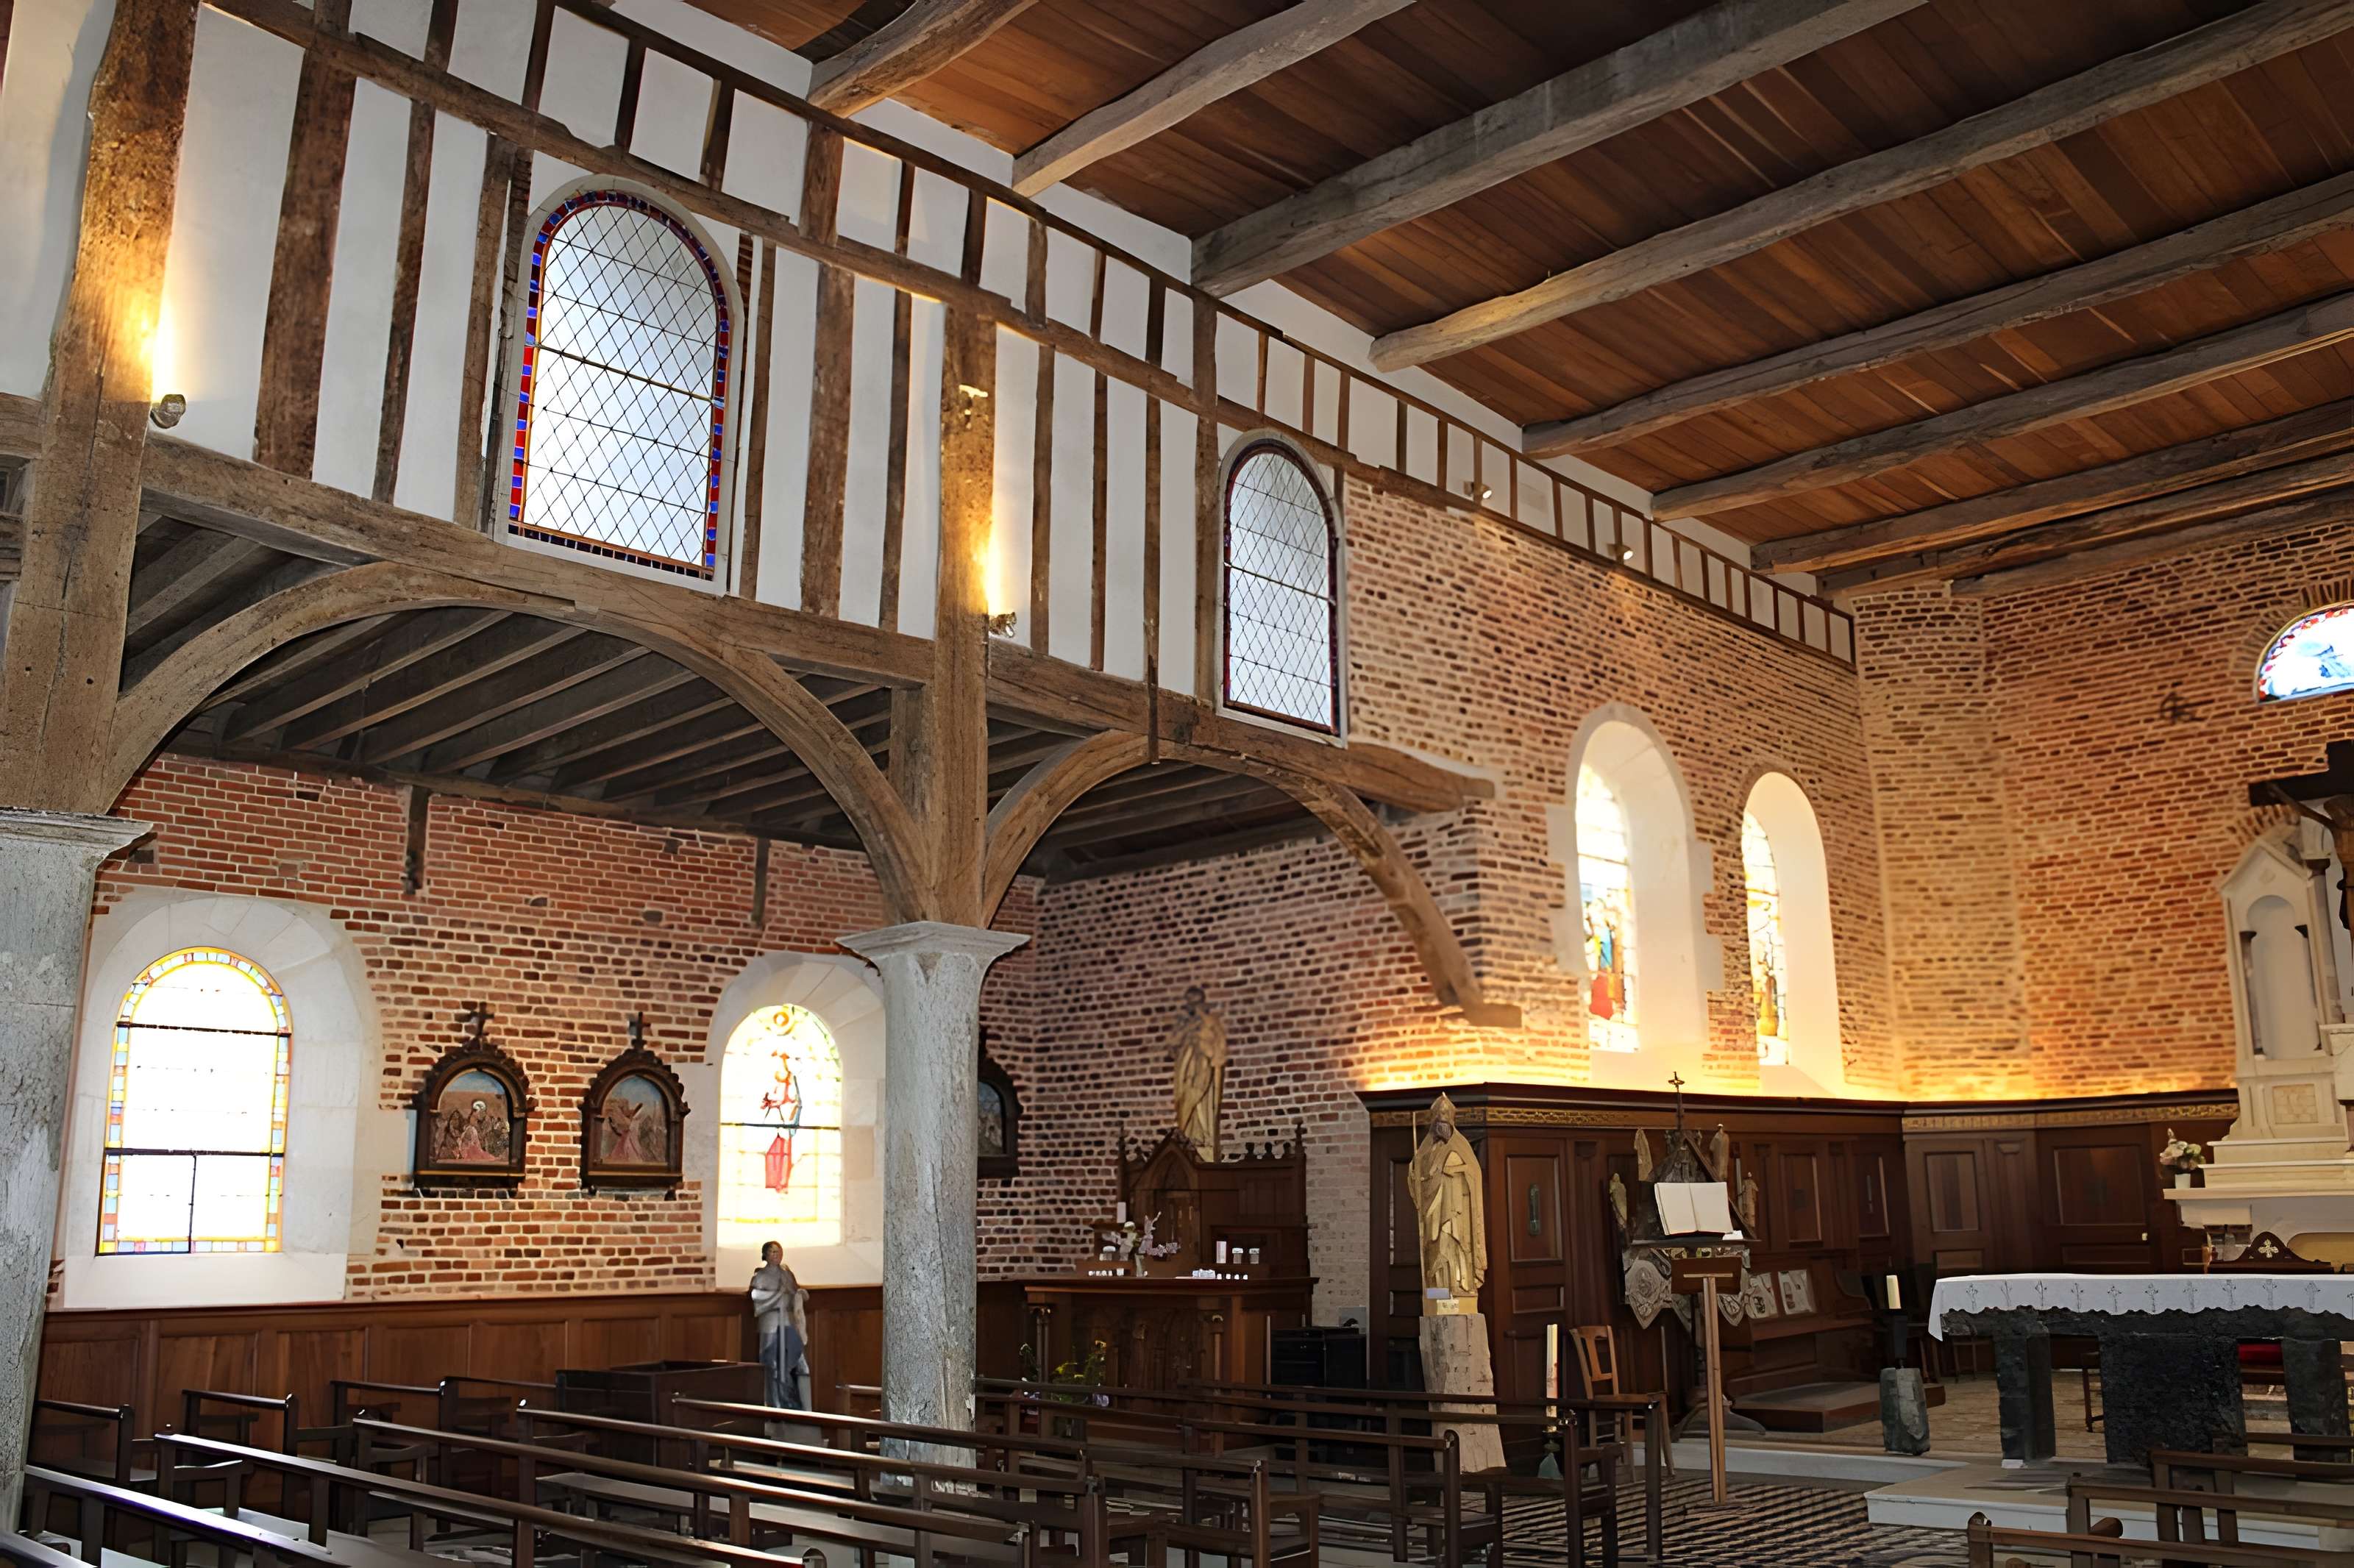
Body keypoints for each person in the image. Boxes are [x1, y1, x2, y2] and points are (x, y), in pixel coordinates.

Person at [750, 1241, 809, 1411]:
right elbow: (758, 1301)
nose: (777, 1255)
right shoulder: (760, 1277)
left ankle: (793, 1406)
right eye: (773, 1252)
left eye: (779, 1251)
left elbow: (792, 1294)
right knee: (772, 1365)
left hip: (787, 1323)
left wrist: (799, 1295)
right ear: (766, 1255)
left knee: (794, 1364)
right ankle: (775, 1405)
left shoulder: (787, 1274)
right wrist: (778, 1296)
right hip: (770, 1324)